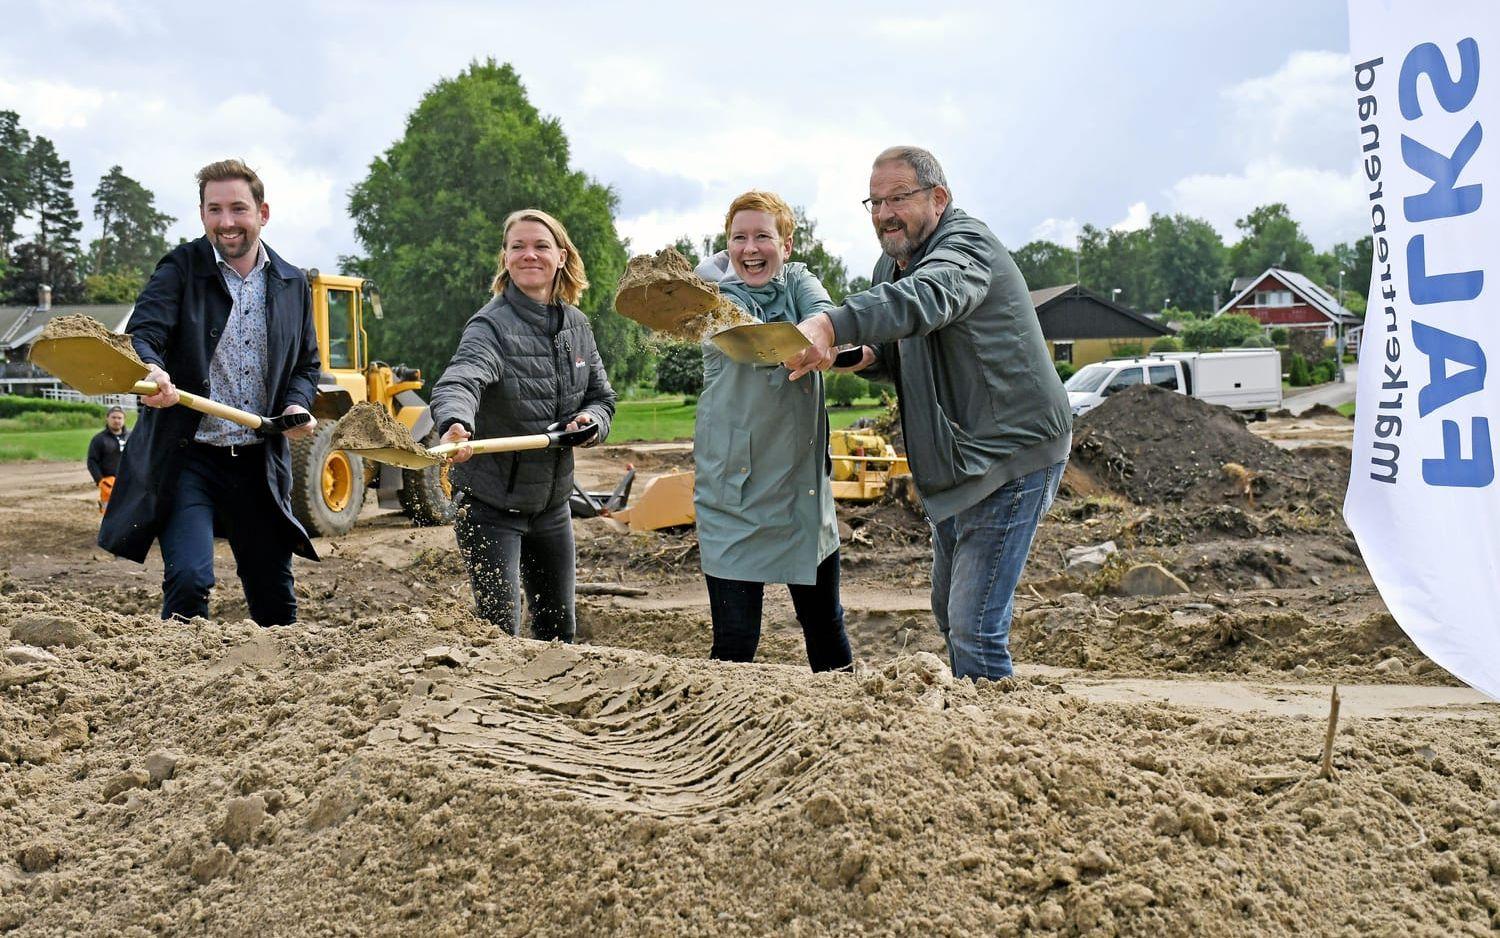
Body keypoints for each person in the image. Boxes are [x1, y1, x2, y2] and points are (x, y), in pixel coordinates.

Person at [784, 146, 1072, 681]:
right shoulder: (893, 263)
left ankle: (999, 748)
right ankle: (977, 721)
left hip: (1010, 454)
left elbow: (927, 299)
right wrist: (851, 353)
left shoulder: (964, 249)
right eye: (874, 201)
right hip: (956, 463)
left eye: (898, 197)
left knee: (973, 624)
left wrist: (831, 323)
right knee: (949, 612)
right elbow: (896, 344)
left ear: (938, 198)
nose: (884, 213)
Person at [98, 159, 321, 627]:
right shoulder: (180, 268)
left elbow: (306, 363)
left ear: (263, 212)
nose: (227, 222)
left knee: (274, 593)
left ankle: (283, 691)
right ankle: (177, 686)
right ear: (201, 215)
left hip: (258, 459)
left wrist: (297, 403)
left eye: (238, 208)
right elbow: (145, 334)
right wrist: (152, 370)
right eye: (214, 209)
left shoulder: (291, 282)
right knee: (190, 580)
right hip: (189, 457)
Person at [432, 208, 615, 641]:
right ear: (506, 258)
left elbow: (602, 397)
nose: (529, 255)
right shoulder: (491, 326)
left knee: (558, 630)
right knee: (499, 633)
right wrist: (455, 422)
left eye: (540, 246)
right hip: (490, 506)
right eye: (518, 247)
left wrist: (592, 422)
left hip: (552, 506)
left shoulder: (577, 325)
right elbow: (461, 378)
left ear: (562, 256)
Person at [691, 190, 853, 672]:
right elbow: (754, 336)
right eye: (738, 238)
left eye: (763, 236)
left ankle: (854, 727)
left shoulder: (801, 279)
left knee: (825, 624)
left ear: (787, 242)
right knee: (736, 642)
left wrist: (824, 333)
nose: (750, 248)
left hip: (802, 491)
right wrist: (811, 341)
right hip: (734, 494)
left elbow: (820, 311)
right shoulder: (715, 300)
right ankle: (720, 738)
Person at [86, 404, 130, 514]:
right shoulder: (99, 439)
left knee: (129, 511)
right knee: (109, 512)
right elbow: (92, 461)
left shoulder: (132, 437)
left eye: (119, 418)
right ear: (107, 418)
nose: (117, 421)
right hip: (109, 482)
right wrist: (100, 480)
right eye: (113, 417)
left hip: (129, 481)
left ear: (124, 419)